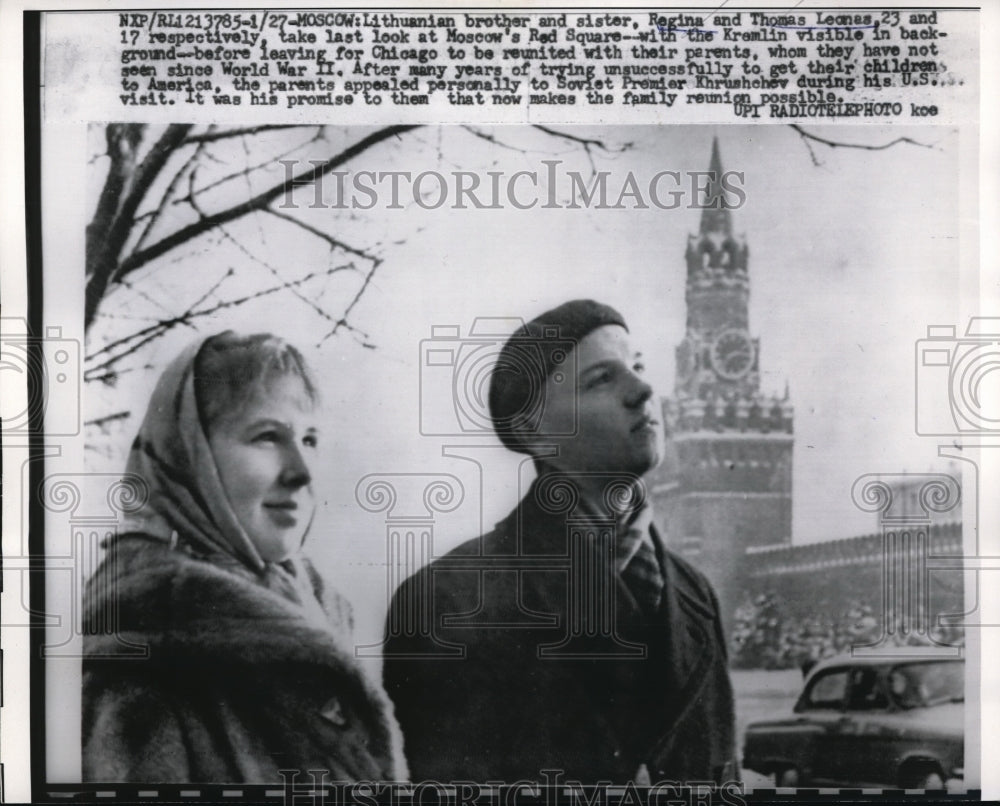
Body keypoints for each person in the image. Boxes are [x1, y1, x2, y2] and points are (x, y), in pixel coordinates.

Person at [382, 300, 736, 784]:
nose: (644, 390)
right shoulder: (450, 600)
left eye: (636, 367)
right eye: (601, 380)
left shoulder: (696, 595)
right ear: (533, 431)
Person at [83, 332, 406, 783]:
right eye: (267, 436)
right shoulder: (142, 670)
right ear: (190, 457)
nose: (302, 472)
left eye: (310, 439)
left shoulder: (315, 614)